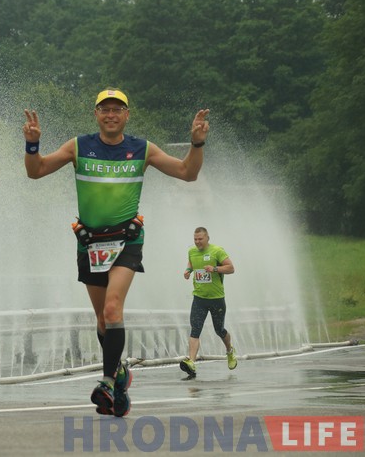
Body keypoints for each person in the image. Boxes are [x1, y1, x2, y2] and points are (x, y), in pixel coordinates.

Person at [23, 88, 209, 417]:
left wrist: (196, 143)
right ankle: (120, 372)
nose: (111, 115)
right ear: (96, 114)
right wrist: (33, 144)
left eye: (117, 110)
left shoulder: (142, 149)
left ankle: (107, 381)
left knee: (112, 309)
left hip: (127, 240)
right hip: (90, 243)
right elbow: (35, 171)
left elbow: (187, 173)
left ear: (127, 115)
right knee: (102, 319)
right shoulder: (79, 146)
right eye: (105, 109)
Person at [180, 226, 237, 378]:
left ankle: (230, 350)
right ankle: (191, 362)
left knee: (219, 330)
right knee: (195, 329)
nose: (197, 242)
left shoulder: (217, 251)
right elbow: (192, 263)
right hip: (199, 298)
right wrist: (188, 270)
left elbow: (231, 268)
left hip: (216, 299)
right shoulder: (192, 251)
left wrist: (215, 269)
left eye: (200, 239)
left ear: (207, 238)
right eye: (195, 239)